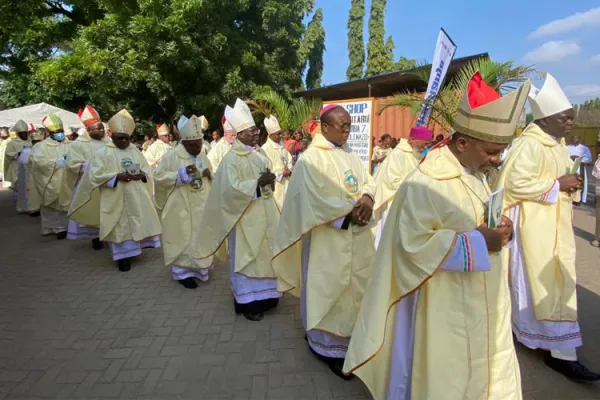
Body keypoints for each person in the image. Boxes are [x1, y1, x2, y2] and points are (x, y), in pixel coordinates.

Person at [343, 72, 530, 399]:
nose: (497, 159)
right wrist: (480, 242)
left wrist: (502, 227)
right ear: (462, 143)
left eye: (501, 151)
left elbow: (479, 218)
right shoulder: (426, 182)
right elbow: (413, 246)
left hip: (481, 298)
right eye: (491, 151)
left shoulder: (475, 173)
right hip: (440, 301)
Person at [495, 72, 600, 381]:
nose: (570, 122)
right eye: (565, 118)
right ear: (546, 119)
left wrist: (568, 185)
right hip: (533, 227)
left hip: (554, 224)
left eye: (571, 118)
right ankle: (558, 352)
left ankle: (552, 345)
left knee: (556, 284)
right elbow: (514, 184)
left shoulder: (556, 144)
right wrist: (557, 183)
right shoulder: (528, 144)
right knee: (542, 285)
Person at [272, 104, 376, 379]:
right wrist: (349, 213)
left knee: (355, 288)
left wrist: (367, 198)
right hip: (328, 239)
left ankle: (350, 341)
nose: (347, 131)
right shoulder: (310, 160)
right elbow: (312, 199)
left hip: (356, 234)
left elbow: (367, 181)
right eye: (341, 126)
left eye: (349, 126)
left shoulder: (349, 153)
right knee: (328, 288)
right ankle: (326, 347)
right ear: (325, 127)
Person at [193, 99, 281, 322]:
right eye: (251, 130)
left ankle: (267, 297)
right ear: (239, 134)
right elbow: (229, 191)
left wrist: (269, 181)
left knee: (265, 254)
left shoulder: (260, 155)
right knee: (246, 259)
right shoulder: (230, 160)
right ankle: (246, 302)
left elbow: (267, 180)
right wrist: (257, 184)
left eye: (255, 129)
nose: (255, 133)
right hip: (242, 219)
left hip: (264, 214)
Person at [68, 110, 162, 272]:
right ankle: (122, 258)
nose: (124, 141)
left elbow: (146, 169)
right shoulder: (103, 153)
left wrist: (143, 175)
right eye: (120, 138)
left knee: (135, 222)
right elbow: (95, 175)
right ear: (112, 135)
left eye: (127, 138)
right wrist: (117, 176)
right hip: (115, 195)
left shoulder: (134, 150)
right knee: (119, 226)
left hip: (135, 194)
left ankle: (133, 252)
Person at [154, 115, 214, 289]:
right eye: (194, 144)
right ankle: (182, 273)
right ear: (185, 143)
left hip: (201, 204)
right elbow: (158, 177)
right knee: (182, 237)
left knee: (200, 236)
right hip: (180, 206)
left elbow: (208, 172)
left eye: (200, 142)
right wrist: (182, 174)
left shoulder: (202, 155)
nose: (198, 147)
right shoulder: (172, 156)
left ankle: (200, 269)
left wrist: (210, 175)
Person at [372, 126, 433, 248]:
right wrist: (415, 187)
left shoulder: (415, 154)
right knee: (386, 240)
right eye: (424, 143)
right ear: (412, 139)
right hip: (392, 202)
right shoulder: (399, 154)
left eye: (428, 144)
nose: (426, 147)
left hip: (407, 203)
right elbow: (392, 181)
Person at [66, 105, 110, 249]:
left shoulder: (109, 142)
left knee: (108, 209)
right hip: (89, 182)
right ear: (88, 129)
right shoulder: (78, 144)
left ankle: (110, 235)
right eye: (99, 128)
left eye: (102, 127)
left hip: (109, 181)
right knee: (93, 210)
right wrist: (89, 167)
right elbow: (72, 164)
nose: (102, 130)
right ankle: (95, 237)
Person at [29, 114, 73, 239]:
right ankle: (57, 229)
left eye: (61, 131)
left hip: (69, 180)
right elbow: (37, 162)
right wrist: (57, 162)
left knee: (69, 202)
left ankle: (70, 227)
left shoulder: (71, 144)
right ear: (49, 132)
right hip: (51, 180)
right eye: (56, 132)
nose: (59, 134)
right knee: (54, 206)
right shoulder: (40, 146)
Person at [261, 115, 293, 210]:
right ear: (270, 135)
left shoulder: (282, 146)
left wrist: (290, 169)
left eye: (280, 133)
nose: (280, 136)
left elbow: (289, 160)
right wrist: (281, 173)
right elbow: (265, 170)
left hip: (287, 183)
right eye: (277, 134)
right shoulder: (265, 149)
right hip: (275, 186)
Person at [16, 129, 44, 216]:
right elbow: (23, 163)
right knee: (30, 191)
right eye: (35, 141)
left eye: (39, 141)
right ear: (32, 142)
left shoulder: (44, 149)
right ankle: (31, 208)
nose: (37, 143)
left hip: (41, 175)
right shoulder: (26, 151)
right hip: (29, 175)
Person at [3, 120, 31, 200]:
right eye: (22, 133)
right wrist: (18, 154)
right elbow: (8, 154)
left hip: (28, 166)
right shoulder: (12, 143)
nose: (24, 135)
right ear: (18, 134)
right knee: (18, 183)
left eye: (25, 133)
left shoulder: (30, 142)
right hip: (17, 166)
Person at [207, 106, 236, 171]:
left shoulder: (240, 145)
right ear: (225, 134)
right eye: (232, 135)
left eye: (235, 135)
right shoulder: (218, 147)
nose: (234, 137)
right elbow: (210, 162)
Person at [567, 135, 592, 205]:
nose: (574, 140)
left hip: (579, 166)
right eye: (573, 138)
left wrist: (578, 158)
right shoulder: (567, 147)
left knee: (579, 182)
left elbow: (589, 159)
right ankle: (569, 197)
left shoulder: (584, 148)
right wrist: (571, 157)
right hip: (569, 166)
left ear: (579, 139)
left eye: (576, 138)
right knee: (569, 182)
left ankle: (578, 199)